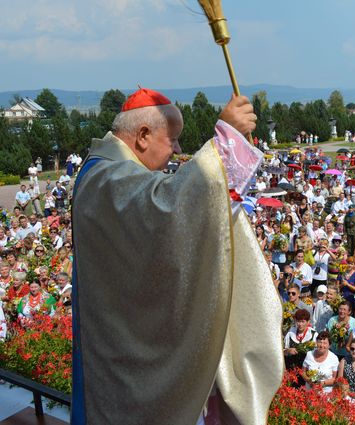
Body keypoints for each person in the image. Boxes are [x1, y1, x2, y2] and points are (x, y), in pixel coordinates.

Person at [71, 88, 282, 424]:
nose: (179, 150)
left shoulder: (106, 172)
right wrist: (225, 142)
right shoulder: (106, 180)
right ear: (142, 136)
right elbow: (166, 212)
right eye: (174, 140)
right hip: (125, 380)